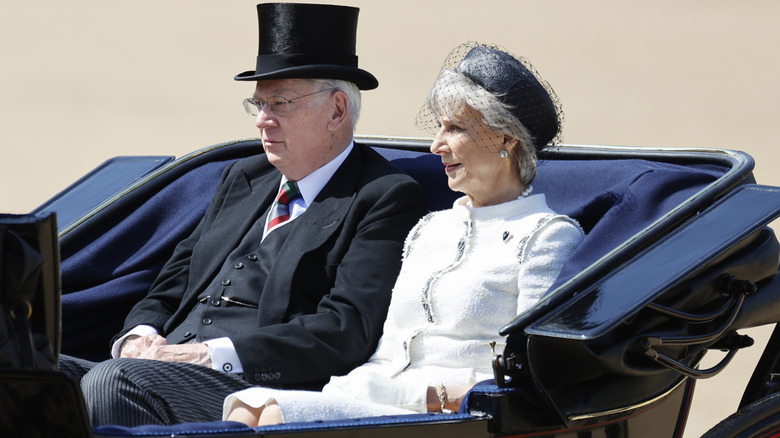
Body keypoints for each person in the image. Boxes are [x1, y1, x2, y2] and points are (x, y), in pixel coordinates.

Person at [59, 3, 428, 426]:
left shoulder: (383, 196)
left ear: (337, 111)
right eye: (258, 104)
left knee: (115, 382)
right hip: (154, 368)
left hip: (259, 389)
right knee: (27, 372)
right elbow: (171, 285)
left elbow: (345, 329)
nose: (263, 121)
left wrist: (208, 355)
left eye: (280, 103)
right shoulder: (244, 178)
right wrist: (139, 336)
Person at [221, 42, 585, 427]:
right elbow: (388, 348)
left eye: (456, 128)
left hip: (454, 416)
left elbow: (532, 374)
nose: (436, 145)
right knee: (248, 404)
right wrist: (364, 387)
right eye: (440, 126)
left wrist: (426, 395)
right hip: (368, 393)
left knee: (271, 414)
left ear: (506, 139)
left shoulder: (547, 237)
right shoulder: (430, 228)